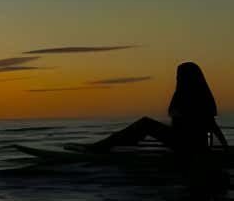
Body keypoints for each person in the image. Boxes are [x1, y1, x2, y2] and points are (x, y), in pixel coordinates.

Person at [87, 62, 227, 153]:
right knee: (145, 124)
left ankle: (103, 146)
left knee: (145, 123)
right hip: (184, 142)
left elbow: (211, 125)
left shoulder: (198, 96)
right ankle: (112, 142)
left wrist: (221, 149)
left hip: (188, 145)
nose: (177, 78)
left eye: (180, 75)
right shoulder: (183, 94)